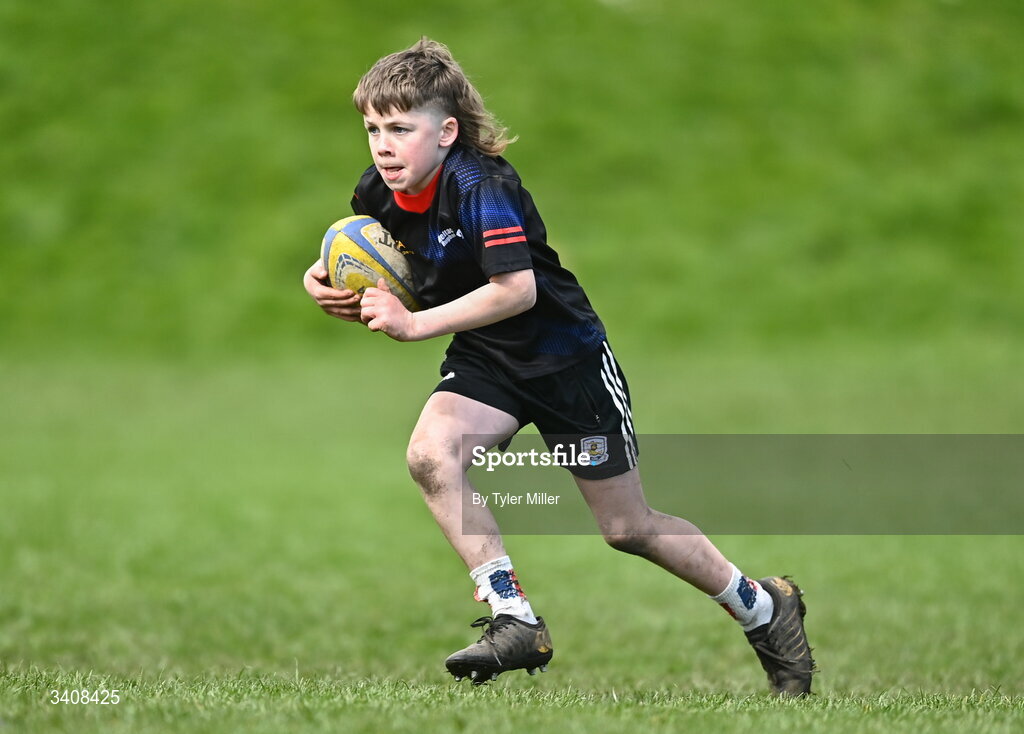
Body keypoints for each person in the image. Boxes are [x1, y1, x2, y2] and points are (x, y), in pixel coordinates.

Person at [303, 37, 815, 696]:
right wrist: (319, 279)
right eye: (373, 127)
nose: (382, 143)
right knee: (431, 455)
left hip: (566, 362)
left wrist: (414, 324)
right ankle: (513, 617)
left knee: (627, 529)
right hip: (489, 358)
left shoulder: (480, 184)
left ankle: (764, 609)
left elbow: (517, 290)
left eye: (401, 127)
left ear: (447, 131)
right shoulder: (379, 191)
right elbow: (362, 252)